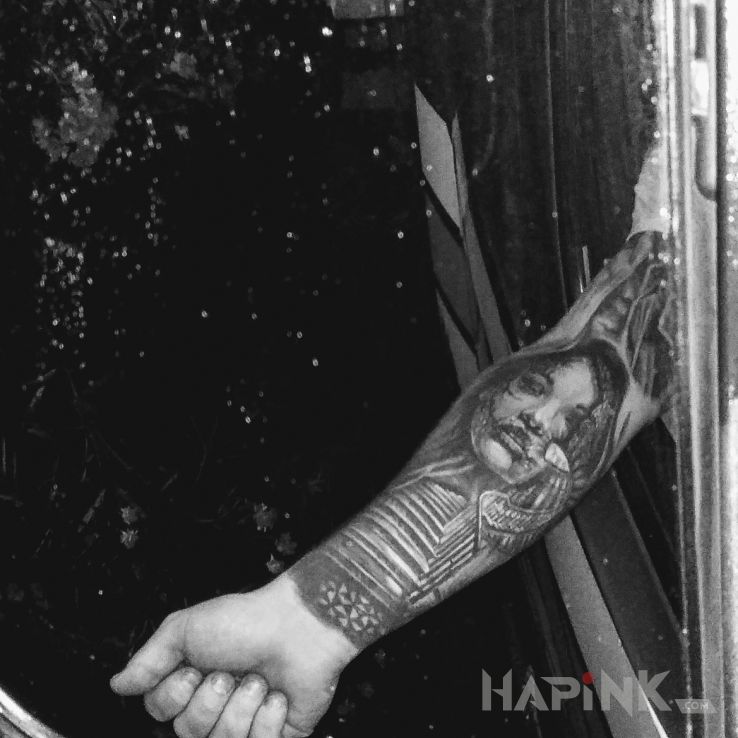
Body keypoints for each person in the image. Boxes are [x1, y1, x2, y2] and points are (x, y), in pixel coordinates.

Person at [109, 137, 673, 737]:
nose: (540, 420)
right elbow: (615, 347)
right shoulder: (704, 162)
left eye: (565, 425)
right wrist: (309, 622)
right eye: (535, 392)